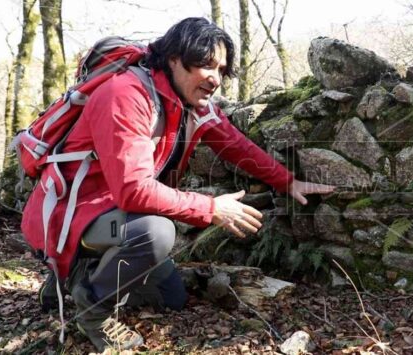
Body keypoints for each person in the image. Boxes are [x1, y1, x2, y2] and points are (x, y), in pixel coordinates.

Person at [23, 17, 335, 351]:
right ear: (174, 58)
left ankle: (73, 276)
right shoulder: (125, 94)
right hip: (69, 218)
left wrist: (287, 182)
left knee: (170, 297)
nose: (215, 78)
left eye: (221, 69)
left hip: (110, 217)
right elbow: (134, 190)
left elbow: (235, 144)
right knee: (155, 232)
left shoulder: (190, 104)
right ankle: (92, 310)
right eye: (205, 65)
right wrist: (211, 208)